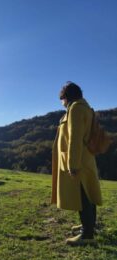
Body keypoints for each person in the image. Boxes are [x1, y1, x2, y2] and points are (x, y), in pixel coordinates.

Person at [51, 82, 102, 246]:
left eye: (62, 99)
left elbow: (75, 138)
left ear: (66, 97)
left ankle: (86, 234)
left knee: (83, 196)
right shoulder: (84, 107)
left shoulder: (75, 109)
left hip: (79, 160)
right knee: (88, 195)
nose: (62, 103)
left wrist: (73, 165)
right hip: (85, 158)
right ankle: (89, 226)